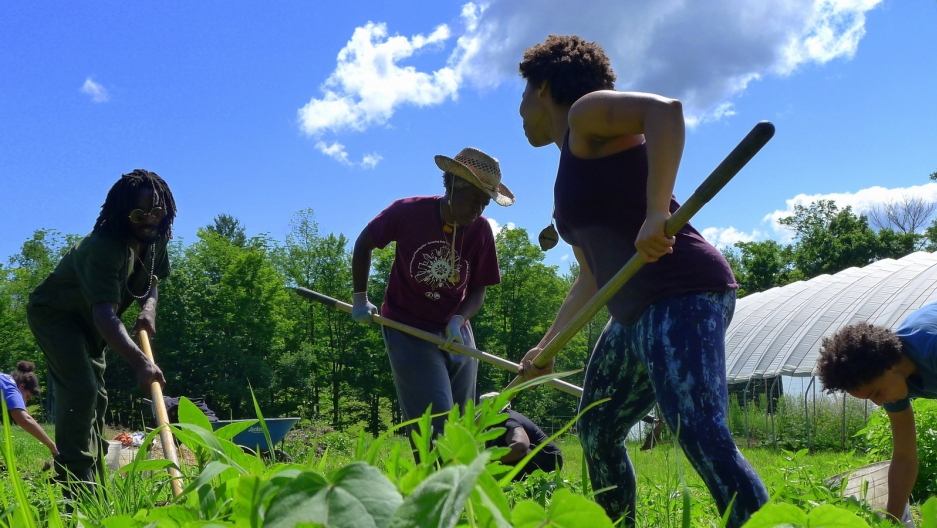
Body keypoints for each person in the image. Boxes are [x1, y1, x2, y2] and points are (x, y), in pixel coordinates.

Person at [514, 35, 768, 526]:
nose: (520, 112)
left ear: (543, 88)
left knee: (699, 432)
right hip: (630, 312)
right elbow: (591, 279)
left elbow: (665, 112)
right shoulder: (570, 165)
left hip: (682, 291)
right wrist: (546, 348)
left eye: (522, 97)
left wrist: (657, 211)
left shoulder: (586, 114)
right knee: (598, 429)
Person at [351, 148, 513, 451]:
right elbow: (365, 242)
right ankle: (433, 489)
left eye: (484, 203)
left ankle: (461, 492)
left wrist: (459, 319)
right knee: (435, 423)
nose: (478, 210)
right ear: (452, 187)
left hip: (455, 329)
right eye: (474, 200)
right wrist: (360, 298)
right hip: (408, 328)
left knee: (464, 424)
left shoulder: (480, 231)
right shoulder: (407, 212)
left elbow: (479, 289)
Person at [26, 169, 174, 485]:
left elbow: (152, 282)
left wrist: (148, 310)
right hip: (56, 316)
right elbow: (106, 316)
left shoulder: (156, 241)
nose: (150, 220)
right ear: (123, 215)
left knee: (99, 398)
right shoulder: (104, 248)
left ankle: (96, 481)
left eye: (157, 212)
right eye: (139, 214)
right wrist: (142, 363)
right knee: (82, 389)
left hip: (94, 321)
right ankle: (74, 482)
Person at [816, 302, 937, 524]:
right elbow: (904, 457)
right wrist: (893, 521)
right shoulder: (893, 382)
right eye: (871, 398)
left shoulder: (931, 346)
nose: (880, 402)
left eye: (876, 392)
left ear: (890, 365)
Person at [480, 392, 563, 480]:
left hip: (547, 460)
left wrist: (489, 461)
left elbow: (520, 447)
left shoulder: (509, 421)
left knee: (508, 453)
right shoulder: (492, 425)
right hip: (538, 458)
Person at [1, 361, 58, 457]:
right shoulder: (11, 388)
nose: (25, 402)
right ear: (22, 386)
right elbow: (24, 419)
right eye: (27, 397)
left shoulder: (3, 379)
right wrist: (52, 447)